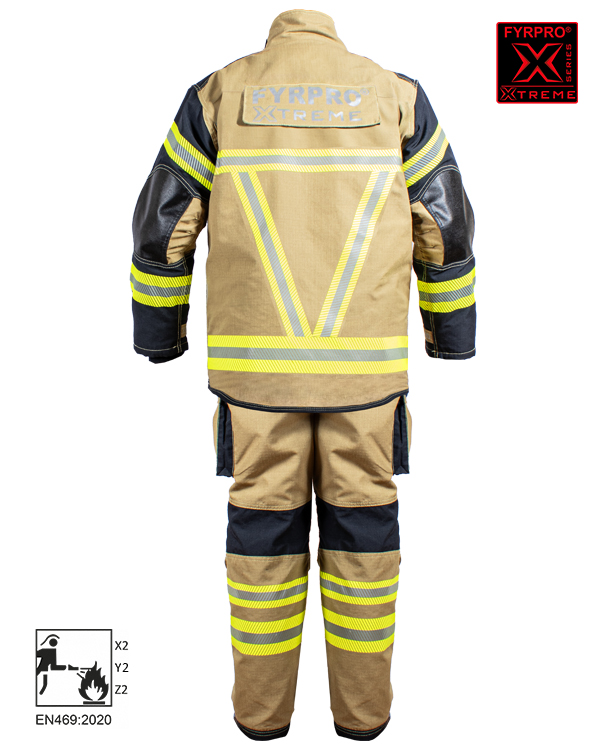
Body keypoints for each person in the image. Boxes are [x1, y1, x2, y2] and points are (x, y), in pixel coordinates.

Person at [130, 9, 475, 741]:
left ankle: (260, 720)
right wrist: (450, 335)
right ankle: (363, 718)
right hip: (366, 381)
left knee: (261, 543)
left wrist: (160, 335)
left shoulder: (219, 93)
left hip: (257, 385)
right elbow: (444, 224)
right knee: (365, 542)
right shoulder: (395, 95)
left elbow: (163, 223)